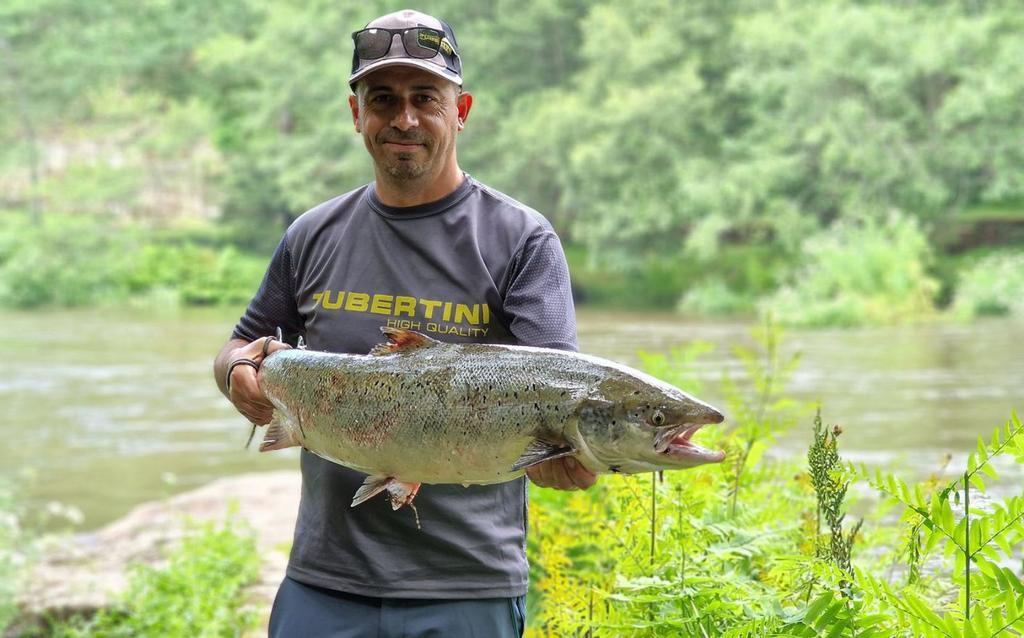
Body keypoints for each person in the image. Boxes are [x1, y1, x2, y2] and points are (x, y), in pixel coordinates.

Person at [213, 9, 596, 637]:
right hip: (324, 578)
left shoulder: (520, 239)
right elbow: (242, 345)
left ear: (461, 109)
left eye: (426, 98)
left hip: (467, 583)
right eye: (382, 99)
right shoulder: (312, 234)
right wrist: (237, 376)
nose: (404, 119)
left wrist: (560, 461)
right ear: (355, 112)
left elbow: (553, 392)